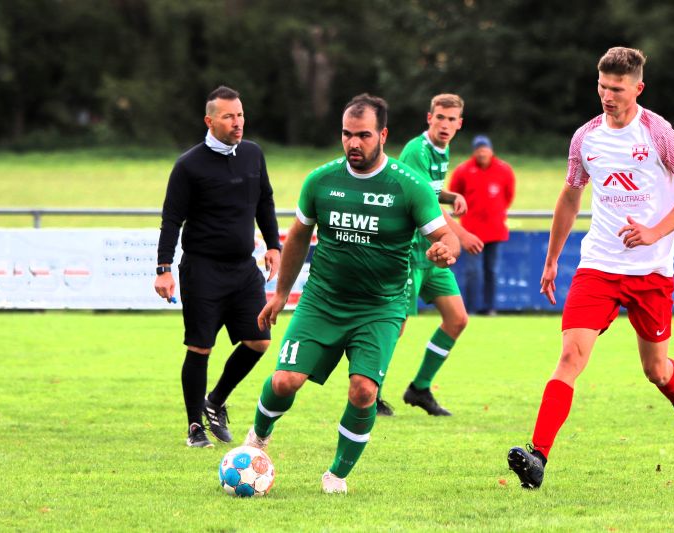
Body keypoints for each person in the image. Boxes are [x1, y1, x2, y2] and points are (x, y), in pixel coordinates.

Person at [507, 47, 674, 489]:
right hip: (598, 266)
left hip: (652, 272)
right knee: (569, 357)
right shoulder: (586, 137)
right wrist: (552, 259)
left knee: (656, 370)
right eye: (602, 86)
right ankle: (537, 456)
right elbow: (570, 197)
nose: (607, 95)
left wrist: (654, 232)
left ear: (638, 88)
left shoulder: (659, 134)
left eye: (617, 89)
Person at [243, 94, 460, 493]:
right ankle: (257, 438)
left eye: (363, 135)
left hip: (381, 307)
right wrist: (280, 293)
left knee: (364, 391)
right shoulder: (321, 181)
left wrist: (446, 249)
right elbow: (298, 237)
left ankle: (336, 474)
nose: (353, 143)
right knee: (285, 381)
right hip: (322, 301)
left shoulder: (409, 186)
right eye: (347, 134)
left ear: (383, 135)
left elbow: (446, 235)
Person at [154, 85, 281, 448]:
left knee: (259, 340)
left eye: (240, 115)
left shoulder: (253, 154)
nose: (237, 122)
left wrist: (274, 245)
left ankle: (215, 400)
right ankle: (195, 426)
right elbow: (171, 219)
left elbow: (265, 202)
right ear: (209, 121)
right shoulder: (188, 165)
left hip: (243, 269)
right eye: (228, 116)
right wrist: (164, 267)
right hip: (202, 270)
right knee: (200, 348)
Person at [376, 94, 483, 417]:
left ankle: (420, 389)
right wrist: (461, 234)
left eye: (451, 120)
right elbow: (425, 204)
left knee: (457, 319)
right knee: (395, 326)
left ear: (459, 123)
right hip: (408, 252)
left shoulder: (441, 149)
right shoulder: (416, 150)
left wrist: (451, 195)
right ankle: (370, 394)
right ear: (429, 118)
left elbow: (431, 192)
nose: (445, 125)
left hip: (433, 254)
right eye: (440, 118)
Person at [449, 134, 516, 315]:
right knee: (473, 271)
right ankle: (470, 308)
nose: (482, 153)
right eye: (478, 150)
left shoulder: (504, 170)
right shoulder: (463, 170)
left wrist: (496, 212)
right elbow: (454, 195)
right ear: (474, 152)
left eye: (484, 149)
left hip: (495, 229)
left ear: (491, 150)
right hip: (472, 231)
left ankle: (489, 308)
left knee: (492, 270)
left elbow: (508, 196)